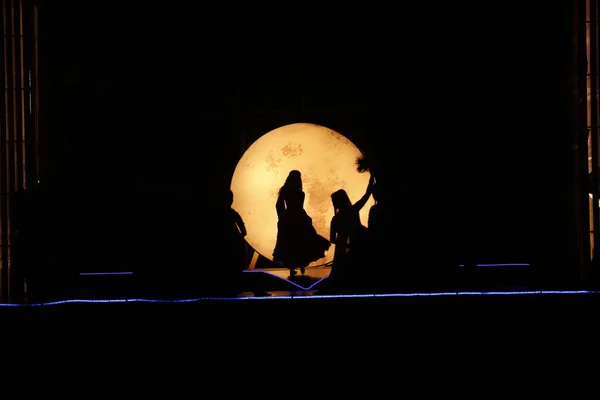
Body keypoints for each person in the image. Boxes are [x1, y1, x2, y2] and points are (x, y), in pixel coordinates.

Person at [272, 170, 331, 277]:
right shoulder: (300, 193)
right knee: (302, 241)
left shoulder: (285, 191)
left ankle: (292, 266)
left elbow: (278, 206)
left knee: (291, 242)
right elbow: (282, 206)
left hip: (291, 217)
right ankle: (301, 264)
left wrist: (282, 217)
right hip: (299, 217)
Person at [328, 174, 375, 288]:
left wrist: (345, 244)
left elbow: (332, 239)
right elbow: (367, 195)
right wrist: (371, 178)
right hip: (359, 241)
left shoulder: (336, 219)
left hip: (351, 244)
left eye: (334, 201)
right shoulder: (353, 210)